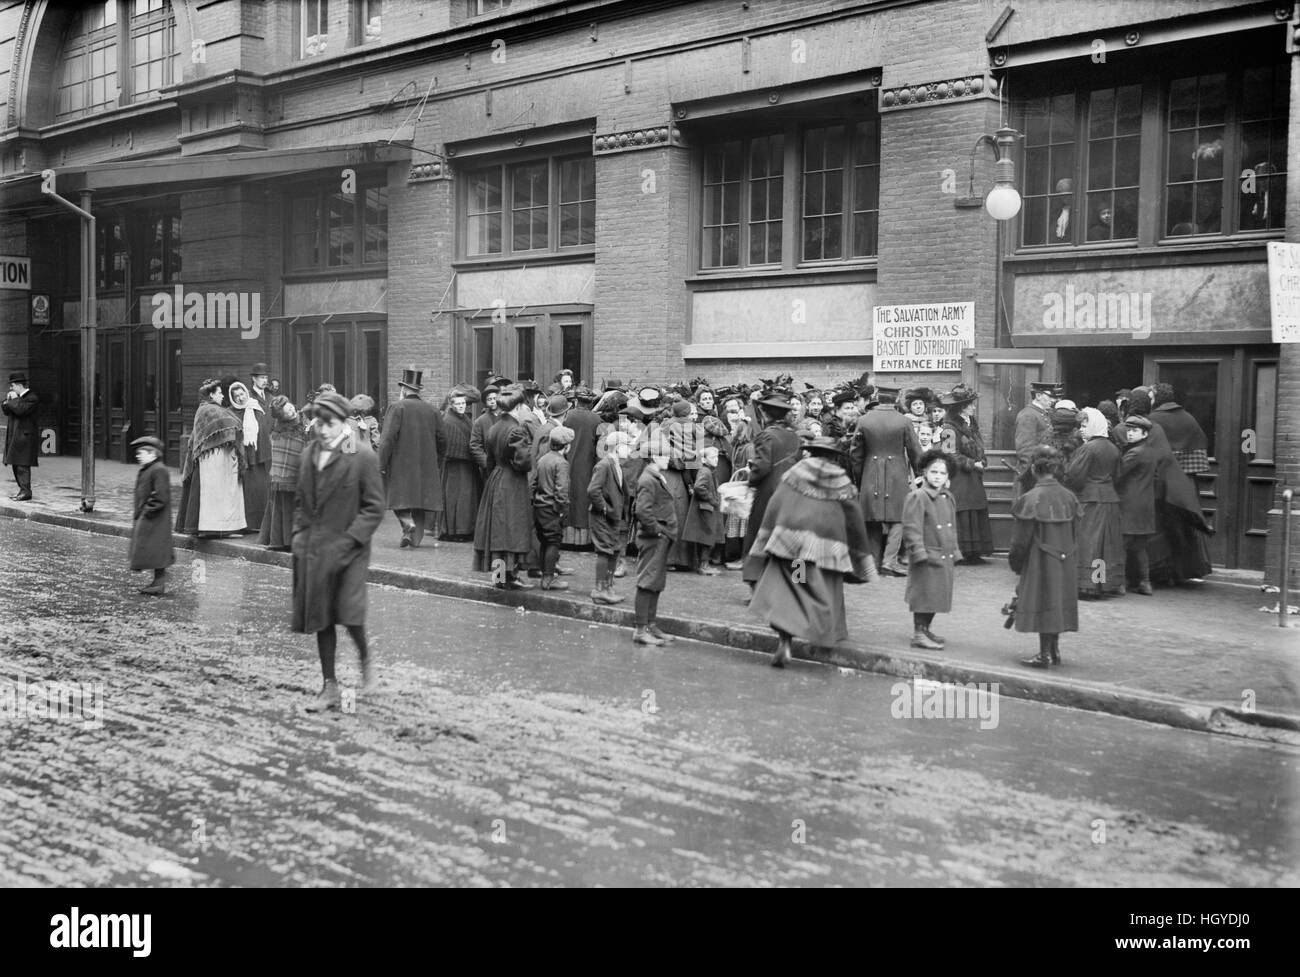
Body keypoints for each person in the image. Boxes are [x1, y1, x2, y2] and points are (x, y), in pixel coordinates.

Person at [291, 391, 386, 712]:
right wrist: (299, 537)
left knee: (349, 612)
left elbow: (374, 508)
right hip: (316, 548)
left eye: (330, 424)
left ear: (344, 423)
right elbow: (301, 503)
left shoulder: (362, 457)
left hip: (350, 550)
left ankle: (365, 660)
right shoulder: (308, 455)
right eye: (319, 423)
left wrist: (349, 542)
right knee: (322, 616)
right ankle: (329, 685)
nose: (323, 430)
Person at [749, 436, 875, 668]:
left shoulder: (796, 473)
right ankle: (822, 637)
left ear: (812, 452)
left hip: (793, 548)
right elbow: (854, 519)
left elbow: (775, 503)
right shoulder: (841, 480)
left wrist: (765, 536)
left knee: (795, 589)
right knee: (820, 592)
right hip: (826, 550)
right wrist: (860, 554)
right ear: (835, 456)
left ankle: (785, 641)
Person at [1010, 446, 1082, 668]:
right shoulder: (1070, 497)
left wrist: (1016, 563)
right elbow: (1078, 532)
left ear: (1034, 469)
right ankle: (1053, 649)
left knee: (1043, 601)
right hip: (1066, 558)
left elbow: (1020, 541)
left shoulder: (1031, 498)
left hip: (1039, 558)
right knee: (1057, 602)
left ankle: (1044, 655)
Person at [850, 384, 922, 576]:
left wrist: (860, 476)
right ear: (897, 398)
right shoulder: (904, 421)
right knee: (900, 518)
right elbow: (915, 450)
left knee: (872, 518)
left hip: (870, 472)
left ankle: (873, 561)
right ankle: (889, 561)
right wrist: (919, 472)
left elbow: (855, 452)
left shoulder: (864, 420)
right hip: (896, 473)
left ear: (878, 397)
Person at [473, 386, 535, 589]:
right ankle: (512, 576)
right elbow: (524, 463)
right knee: (511, 529)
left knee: (498, 531)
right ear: (518, 406)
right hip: (512, 483)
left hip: (495, 479)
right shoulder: (517, 429)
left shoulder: (494, 427)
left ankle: (500, 578)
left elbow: (489, 460)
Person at [378, 367, 447, 549]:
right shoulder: (433, 410)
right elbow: (443, 439)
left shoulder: (397, 407)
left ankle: (407, 524)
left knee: (395, 497)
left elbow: (386, 440)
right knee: (419, 501)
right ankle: (415, 539)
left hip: (401, 463)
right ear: (418, 390)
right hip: (426, 465)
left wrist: (380, 464)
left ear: (403, 389)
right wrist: (437, 460)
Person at [741, 391, 802, 589]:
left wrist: (750, 480)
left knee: (760, 536)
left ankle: (757, 584)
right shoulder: (795, 436)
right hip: (793, 492)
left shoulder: (766, 435)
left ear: (766, 414)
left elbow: (762, 467)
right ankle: (797, 582)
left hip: (769, 494)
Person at [1064, 407, 1125, 599]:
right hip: (1110, 499)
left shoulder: (1088, 448)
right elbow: (1119, 475)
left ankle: (1089, 585)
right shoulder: (1113, 448)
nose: (1081, 429)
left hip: (1090, 500)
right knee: (1106, 545)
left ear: (1094, 425)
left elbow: (1074, 476)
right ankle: (1103, 583)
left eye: (1084, 425)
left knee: (1089, 543)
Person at [901, 449, 959, 650]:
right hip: (926, 556)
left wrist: (955, 550)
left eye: (942, 473)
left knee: (937, 596)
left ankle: (925, 628)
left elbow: (952, 526)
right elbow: (911, 527)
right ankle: (918, 632)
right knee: (924, 595)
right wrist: (918, 553)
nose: (938, 477)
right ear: (924, 472)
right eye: (934, 472)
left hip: (943, 554)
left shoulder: (948, 497)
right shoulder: (918, 496)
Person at [176, 378, 246, 537]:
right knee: (213, 494)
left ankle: (220, 529)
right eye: (219, 393)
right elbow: (231, 423)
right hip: (210, 459)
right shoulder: (208, 410)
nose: (222, 396)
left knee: (218, 493)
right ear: (211, 395)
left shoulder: (212, 409)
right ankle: (213, 529)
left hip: (217, 458)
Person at [632, 430, 678, 646]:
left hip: (659, 537)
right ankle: (641, 629)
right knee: (647, 582)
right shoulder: (648, 479)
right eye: (665, 454)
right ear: (655, 456)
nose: (668, 458)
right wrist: (657, 531)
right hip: (653, 538)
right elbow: (642, 510)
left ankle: (650, 625)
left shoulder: (655, 476)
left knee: (656, 582)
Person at [938, 384, 992, 564]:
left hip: (973, 476)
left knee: (975, 509)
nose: (974, 407)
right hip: (959, 478)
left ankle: (974, 552)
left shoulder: (971, 422)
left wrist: (981, 459)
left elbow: (977, 444)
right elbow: (949, 454)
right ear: (961, 407)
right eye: (971, 404)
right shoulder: (948, 426)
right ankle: (961, 553)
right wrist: (971, 464)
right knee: (963, 511)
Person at [1116, 414, 1159, 595]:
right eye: (1129, 430)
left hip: (1129, 504)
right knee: (1140, 547)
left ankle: (1120, 584)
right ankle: (1145, 582)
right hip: (1145, 504)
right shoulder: (1150, 451)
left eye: (1135, 431)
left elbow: (1118, 474)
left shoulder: (1134, 452)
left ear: (1144, 433)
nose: (1130, 434)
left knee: (1123, 545)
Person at [259, 396, 310, 551]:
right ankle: (282, 540)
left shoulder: (305, 419)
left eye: (291, 407)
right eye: (288, 412)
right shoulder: (278, 428)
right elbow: (278, 449)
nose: (292, 411)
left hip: (301, 472)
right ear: (282, 416)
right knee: (284, 505)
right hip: (283, 474)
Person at [128, 436, 174, 596]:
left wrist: (147, 511)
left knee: (156, 549)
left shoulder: (158, 470)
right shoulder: (150, 468)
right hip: (152, 518)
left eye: (142, 452)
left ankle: (159, 584)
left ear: (153, 454)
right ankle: (157, 583)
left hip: (155, 519)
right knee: (156, 550)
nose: (138, 456)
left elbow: (161, 496)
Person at [588, 429, 629, 605]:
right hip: (602, 517)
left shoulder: (617, 465)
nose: (630, 450)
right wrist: (605, 508)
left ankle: (608, 587)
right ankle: (599, 590)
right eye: (627, 446)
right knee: (604, 551)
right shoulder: (604, 465)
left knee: (613, 551)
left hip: (614, 517)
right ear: (618, 447)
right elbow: (592, 490)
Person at [533, 425, 573, 591]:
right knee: (553, 542)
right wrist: (563, 509)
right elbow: (562, 490)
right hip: (552, 508)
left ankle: (545, 573)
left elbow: (534, 483)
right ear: (566, 446)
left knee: (544, 541)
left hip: (539, 507)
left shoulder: (542, 459)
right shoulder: (561, 463)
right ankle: (548, 579)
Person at [562, 386, 602, 547]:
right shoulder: (596, 420)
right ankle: (583, 540)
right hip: (587, 466)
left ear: (576, 400)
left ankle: (566, 537)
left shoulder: (567, 416)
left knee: (568, 497)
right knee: (583, 500)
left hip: (567, 462)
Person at [440, 385, 480, 541]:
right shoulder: (449, 421)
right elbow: (450, 447)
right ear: (451, 404)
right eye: (458, 404)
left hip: (466, 466)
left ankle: (464, 529)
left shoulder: (465, 418)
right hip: (456, 467)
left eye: (463, 403)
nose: (461, 406)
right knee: (457, 498)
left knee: (465, 498)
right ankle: (456, 531)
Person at [227, 380, 269, 533]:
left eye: (242, 393)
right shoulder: (231, 412)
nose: (240, 398)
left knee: (261, 488)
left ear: (246, 392)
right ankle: (248, 524)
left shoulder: (256, 407)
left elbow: (264, 430)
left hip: (259, 455)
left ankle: (262, 523)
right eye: (236, 396)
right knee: (246, 490)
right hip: (243, 457)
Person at [1149, 382, 1209, 476]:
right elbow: (1201, 439)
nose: (1149, 401)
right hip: (1188, 474)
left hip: (1163, 476)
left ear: (1158, 399)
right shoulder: (1188, 417)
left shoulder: (1153, 419)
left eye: (1151, 398)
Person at [682, 444, 721, 575]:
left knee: (705, 537)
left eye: (717, 457)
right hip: (706, 508)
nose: (716, 459)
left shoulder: (707, 471)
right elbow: (699, 487)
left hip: (705, 508)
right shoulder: (706, 471)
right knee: (707, 537)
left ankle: (703, 564)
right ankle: (704, 565)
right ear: (704, 460)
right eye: (713, 457)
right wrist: (712, 499)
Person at [1014, 380, 1059, 494]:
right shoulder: (1028, 415)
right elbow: (1025, 450)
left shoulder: (1042, 414)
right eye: (1050, 396)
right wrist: (1034, 474)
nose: (1053, 400)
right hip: (1031, 475)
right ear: (1038, 396)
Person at [3, 371, 38, 501]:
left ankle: (26, 491)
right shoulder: (16, 398)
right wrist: (8, 400)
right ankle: (22, 490)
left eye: (12, 386)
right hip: (14, 435)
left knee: (22, 464)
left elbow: (20, 410)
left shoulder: (32, 398)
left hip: (25, 437)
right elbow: (6, 410)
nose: (11, 389)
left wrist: (14, 400)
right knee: (15, 464)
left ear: (18, 385)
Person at [469, 383, 502, 477]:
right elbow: (475, 445)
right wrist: (486, 463)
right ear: (486, 402)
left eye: (495, 398)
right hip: (489, 470)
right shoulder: (480, 421)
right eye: (489, 399)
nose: (492, 401)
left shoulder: (506, 418)